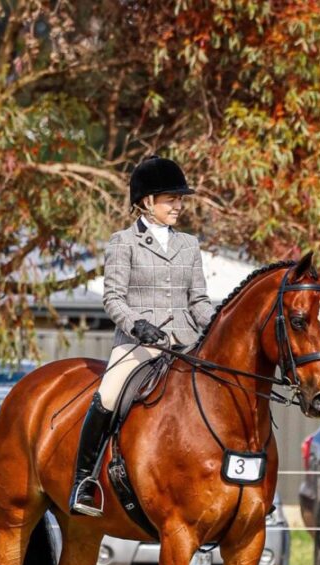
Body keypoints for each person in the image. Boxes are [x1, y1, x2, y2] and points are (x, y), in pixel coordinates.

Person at [69, 155, 215, 516]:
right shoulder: (124, 243)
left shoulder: (189, 245)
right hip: (137, 343)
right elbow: (113, 297)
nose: (178, 205)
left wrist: (216, 326)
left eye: (180, 199)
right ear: (147, 201)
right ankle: (83, 481)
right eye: (171, 199)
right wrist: (137, 325)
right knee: (109, 393)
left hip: (184, 341)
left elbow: (198, 300)